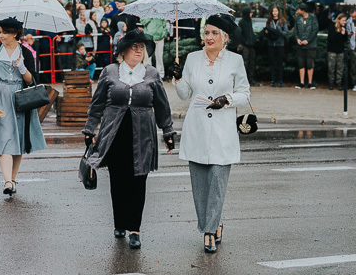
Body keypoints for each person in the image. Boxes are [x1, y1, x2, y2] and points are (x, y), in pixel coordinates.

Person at [83, 29, 175, 249]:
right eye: (134, 46)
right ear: (123, 51)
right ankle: (119, 223)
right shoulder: (110, 72)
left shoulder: (151, 74)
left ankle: (134, 229)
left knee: (138, 181)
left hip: (142, 133)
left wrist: (168, 132)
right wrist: (89, 129)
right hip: (114, 132)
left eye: (141, 46)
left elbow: (162, 106)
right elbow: (97, 104)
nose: (138, 50)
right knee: (118, 181)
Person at [172, 14, 250, 254]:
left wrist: (226, 99)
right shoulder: (193, 58)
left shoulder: (235, 61)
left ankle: (208, 232)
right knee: (200, 188)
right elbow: (185, 95)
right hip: (196, 130)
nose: (209, 37)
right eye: (206, 32)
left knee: (216, 183)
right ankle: (212, 225)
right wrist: (177, 78)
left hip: (222, 131)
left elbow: (245, 93)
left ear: (225, 38)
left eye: (214, 33)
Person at [0, 17, 46, 196]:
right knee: (4, 138)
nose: (0, 35)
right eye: (0, 32)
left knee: (18, 140)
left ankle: (12, 179)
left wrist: (22, 68)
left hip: (19, 98)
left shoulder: (25, 53)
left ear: (14, 34)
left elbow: (32, 80)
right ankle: (7, 181)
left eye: (4, 32)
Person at [294, 3, 319, 89]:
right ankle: (301, 82)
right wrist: (297, 38)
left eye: (299, 9)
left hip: (310, 45)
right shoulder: (298, 18)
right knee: (301, 63)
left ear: (303, 10)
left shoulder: (312, 18)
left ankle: (310, 82)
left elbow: (315, 30)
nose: (297, 11)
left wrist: (308, 40)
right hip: (300, 44)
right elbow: (295, 30)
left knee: (310, 63)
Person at [263, 6, 289, 87]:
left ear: (278, 12)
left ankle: (280, 80)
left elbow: (286, 32)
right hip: (271, 44)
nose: (274, 12)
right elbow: (266, 31)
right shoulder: (269, 21)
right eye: (273, 11)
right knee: (272, 63)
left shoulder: (282, 21)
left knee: (280, 63)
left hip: (280, 44)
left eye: (276, 11)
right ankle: (273, 80)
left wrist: (279, 32)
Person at [238, 6, 259, 87]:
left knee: (251, 63)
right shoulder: (241, 22)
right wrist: (245, 41)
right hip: (245, 46)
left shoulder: (250, 21)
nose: (251, 14)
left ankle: (251, 80)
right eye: (250, 12)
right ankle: (243, 81)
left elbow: (251, 32)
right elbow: (240, 34)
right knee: (245, 63)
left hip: (251, 45)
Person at [327, 14, 349, 91]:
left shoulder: (344, 27)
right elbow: (331, 38)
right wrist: (340, 34)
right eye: (343, 20)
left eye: (345, 20)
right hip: (332, 50)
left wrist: (345, 33)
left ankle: (339, 83)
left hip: (341, 50)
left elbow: (345, 39)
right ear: (339, 20)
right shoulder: (332, 26)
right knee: (331, 68)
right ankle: (331, 83)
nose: (344, 22)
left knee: (340, 68)